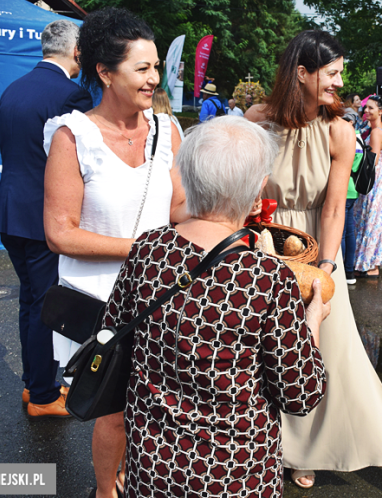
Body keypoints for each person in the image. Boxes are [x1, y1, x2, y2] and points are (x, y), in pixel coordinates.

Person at [104, 116, 329, 497]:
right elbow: (301, 393)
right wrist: (313, 322)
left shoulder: (148, 250)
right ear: (258, 192)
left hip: (153, 462)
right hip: (234, 472)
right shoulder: (267, 277)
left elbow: (113, 339)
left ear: (186, 177)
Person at [246, 29, 382, 489]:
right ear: (302, 73)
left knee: (317, 350)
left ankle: (307, 449)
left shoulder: (340, 131)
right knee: (259, 352)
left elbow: (336, 207)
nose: (340, 81)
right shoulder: (257, 119)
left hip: (317, 244)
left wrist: (326, 269)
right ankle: (263, 441)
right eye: (333, 72)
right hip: (264, 241)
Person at [42, 7, 186, 498]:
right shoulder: (72, 135)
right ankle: (107, 490)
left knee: (164, 406)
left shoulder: (168, 131)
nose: (154, 79)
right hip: (100, 301)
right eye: (141, 68)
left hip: (166, 293)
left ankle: (144, 481)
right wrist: (145, 249)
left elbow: (183, 209)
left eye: (155, 67)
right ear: (105, 72)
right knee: (119, 410)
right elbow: (60, 234)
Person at [0, 19, 93, 419]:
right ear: (76, 53)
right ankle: (44, 394)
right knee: (44, 304)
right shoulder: (72, 95)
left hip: (10, 212)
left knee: (30, 301)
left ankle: (33, 383)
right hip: (44, 218)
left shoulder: (13, 89)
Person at [353, 94, 382, 279]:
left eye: (371, 108)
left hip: (376, 179)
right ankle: (370, 262)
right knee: (373, 218)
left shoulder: (377, 132)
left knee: (370, 218)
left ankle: (370, 264)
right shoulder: (376, 129)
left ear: (381, 111)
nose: (367, 111)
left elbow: (373, 161)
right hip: (381, 177)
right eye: (366, 107)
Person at [340, 111, 364, 285]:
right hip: (353, 190)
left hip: (342, 188)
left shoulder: (348, 140)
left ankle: (340, 274)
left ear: (349, 122)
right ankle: (349, 273)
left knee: (340, 234)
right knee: (349, 233)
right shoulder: (360, 139)